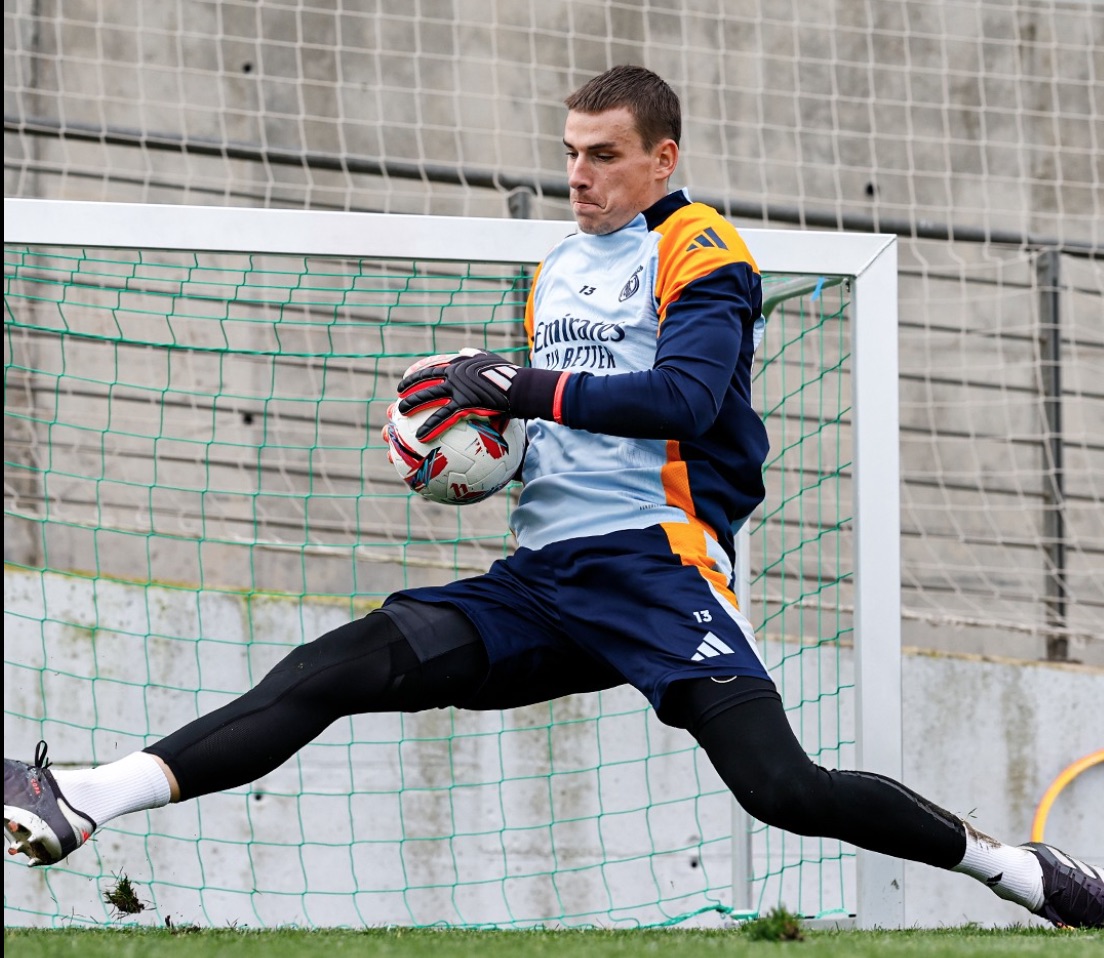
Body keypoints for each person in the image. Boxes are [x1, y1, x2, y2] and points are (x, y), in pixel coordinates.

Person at [5, 65, 1102, 930]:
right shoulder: (557, 265)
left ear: (661, 156)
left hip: (655, 568)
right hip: (543, 579)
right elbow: (554, 421)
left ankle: (1015, 869)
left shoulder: (699, 244)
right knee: (329, 668)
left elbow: (685, 397)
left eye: (605, 155)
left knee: (783, 789)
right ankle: (86, 797)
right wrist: (478, 449)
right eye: (571, 153)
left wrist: (520, 387)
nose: (581, 175)